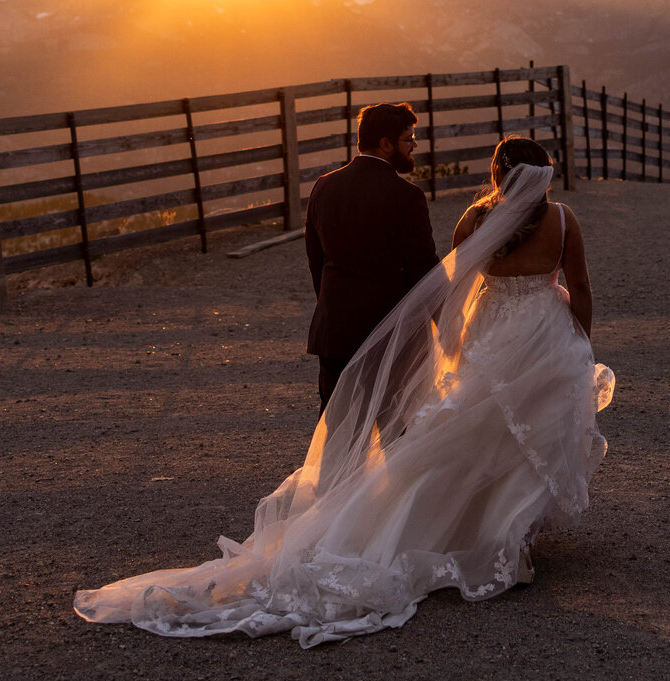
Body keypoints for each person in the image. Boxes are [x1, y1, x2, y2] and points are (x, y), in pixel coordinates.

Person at [74, 137, 613, 649]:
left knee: (471, 436)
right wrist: (579, 340)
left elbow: (453, 291)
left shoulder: (475, 219)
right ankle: (512, 541)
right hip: (543, 337)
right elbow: (581, 288)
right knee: (531, 433)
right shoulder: (563, 219)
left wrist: (453, 347)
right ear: (540, 177)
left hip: (490, 332)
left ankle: (484, 532)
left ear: (497, 176)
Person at [304, 101, 439, 410]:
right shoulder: (407, 196)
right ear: (385, 144)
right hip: (387, 332)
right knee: (390, 432)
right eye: (408, 139)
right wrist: (445, 322)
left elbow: (317, 262)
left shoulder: (323, 187)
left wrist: (331, 307)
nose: (414, 144)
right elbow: (424, 268)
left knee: (336, 431)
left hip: (334, 330)